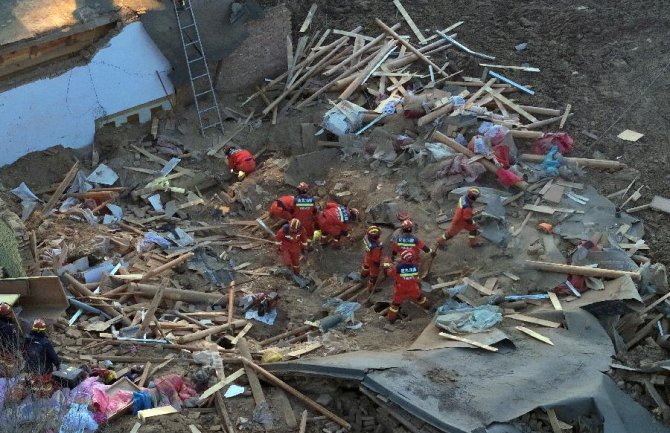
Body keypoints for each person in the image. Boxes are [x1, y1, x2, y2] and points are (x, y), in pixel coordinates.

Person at [382, 250, 430, 323]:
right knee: (420, 297)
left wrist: (386, 264)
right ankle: (428, 307)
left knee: (395, 304)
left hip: (400, 288)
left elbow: (389, 273)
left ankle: (391, 319)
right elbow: (416, 277)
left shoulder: (397, 267)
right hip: (413, 287)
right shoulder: (415, 266)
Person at [360, 226, 384, 292]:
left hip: (368, 255)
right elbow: (376, 259)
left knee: (366, 265)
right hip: (373, 260)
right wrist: (378, 265)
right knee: (374, 275)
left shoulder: (366, 237)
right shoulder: (376, 247)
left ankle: (363, 275)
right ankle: (371, 288)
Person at [0, 303, 19, 376]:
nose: (12, 315)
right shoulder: (8, 328)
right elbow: (13, 342)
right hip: (6, 352)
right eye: (10, 314)